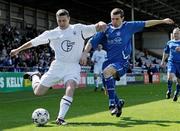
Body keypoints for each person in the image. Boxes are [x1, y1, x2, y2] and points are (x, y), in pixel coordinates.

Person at [10, 9, 107, 125]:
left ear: (69, 19)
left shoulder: (79, 29)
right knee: (38, 92)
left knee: (70, 87)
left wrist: (101, 24)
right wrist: (18, 50)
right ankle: (35, 76)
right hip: (58, 66)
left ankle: (60, 118)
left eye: (64, 20)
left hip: (73, 66)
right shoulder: (52, 33)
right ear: (56, 20)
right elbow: (33, 42)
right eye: (59, 21)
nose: (61, 23)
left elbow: (96, 27)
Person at [81, 8, 174, 117]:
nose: (114, 21)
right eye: (112, 19)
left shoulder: (128, 26)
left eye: (117, 19)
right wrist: (84, 53)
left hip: (122, 63)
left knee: (107, 72)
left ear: (122, 18)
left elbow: (146, 23)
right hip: (108, 62)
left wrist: (162, 21)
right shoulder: (106, 29)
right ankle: (118, 103)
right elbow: (91, 42)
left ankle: (112, 104)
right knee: (107, 89)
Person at [161, 27, 180, 101]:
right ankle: (169, 90)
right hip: (172, 62)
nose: (175, 35)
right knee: (170, 77)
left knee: (179, 81)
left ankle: (177, 93)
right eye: (174, 33)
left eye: (177, 33)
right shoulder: (170, 42)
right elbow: (166, 52)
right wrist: (162, 61)